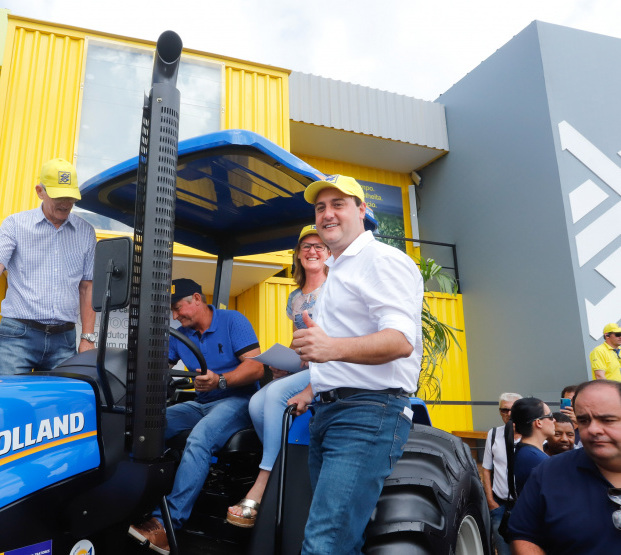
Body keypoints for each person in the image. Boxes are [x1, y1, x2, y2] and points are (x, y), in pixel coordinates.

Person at [286, 174, 423, 555]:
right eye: (320, 207)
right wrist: (313, 384)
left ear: (362, 210)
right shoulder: (340, 270)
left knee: (324, 544)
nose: (327, 214)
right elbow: (339, 350)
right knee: (340, 541)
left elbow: (400, 340)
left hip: (367, 412)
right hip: (331, 411)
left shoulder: (381, 260)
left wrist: (330, 348)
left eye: (338, 204)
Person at [129, 278, 264, 555]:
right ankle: (131, 504)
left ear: (197, 299)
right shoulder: (181, 335)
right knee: (149, 425)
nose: (176, 316)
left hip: (238, 399)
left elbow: (256, 368)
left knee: (200, 438)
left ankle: (167, 525)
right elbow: (157, 370)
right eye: (173, 312)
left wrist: (221, 381)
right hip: (200, 403)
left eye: (179, 308)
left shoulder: (232, 321)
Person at [226, 225, 329, 527]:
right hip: (305, 367)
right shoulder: (295, 297)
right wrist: (283, 364)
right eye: (306, 246)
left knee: (273, 394)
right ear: (298, 254)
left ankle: (264, 479)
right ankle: (282, 463)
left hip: (329, 369)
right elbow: (299, 342)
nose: (312, 251)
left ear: (328, 253)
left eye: (319, 246)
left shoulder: (337, 288)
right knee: (256, 402)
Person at [0, 158, 97, 375]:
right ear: (40, 191)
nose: (66, 203)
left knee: (60, 405)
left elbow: (87, 287)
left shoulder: (86, 232)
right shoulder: (15, 224)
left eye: (71, 197)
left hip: (64, 339)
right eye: (58, 196)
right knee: (10, 402)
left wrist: (87, 338)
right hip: (18, 336)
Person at [509, 379, 621, 554]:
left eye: (607, 420)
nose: (593, 430)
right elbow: (523, 535)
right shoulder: (547, 473)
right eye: (583, 421)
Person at [482, 392, 523, 555]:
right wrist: (491, 501)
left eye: (513, 410)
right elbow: (486, 468)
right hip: (500, 505)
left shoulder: (533, 434)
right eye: (504, 410)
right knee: (504, 551)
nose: (509, 414)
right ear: (500, 411)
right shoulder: (493, 434)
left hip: (526, 505)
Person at [508, 397, 554, 496]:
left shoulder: (527, 452)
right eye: (550, 416)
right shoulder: (533, 458)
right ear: (538, 422)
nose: (554, 420)